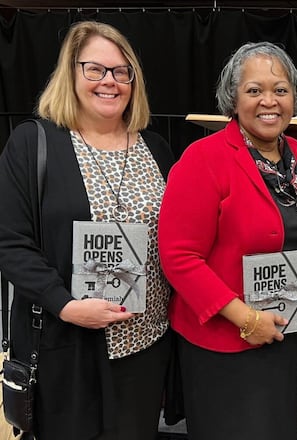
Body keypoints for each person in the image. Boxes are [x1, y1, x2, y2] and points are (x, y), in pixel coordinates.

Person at [0, 21, 174, 440]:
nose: (109, 81)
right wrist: (64, 305)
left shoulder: (157, 149)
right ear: (71, 73)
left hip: (144, 345)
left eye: (121, 71)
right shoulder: (33, 143)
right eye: (95, 69)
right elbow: (10, 242)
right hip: (65, 343)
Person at [157, 41, 297, 440]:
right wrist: (247, 320)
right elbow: (178, 256)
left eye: (280, 90)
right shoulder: (204, 157)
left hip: (283, 335)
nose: (269, 101)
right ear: (233, 98)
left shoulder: (296, 154)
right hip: (225, 343)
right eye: (254, 90)